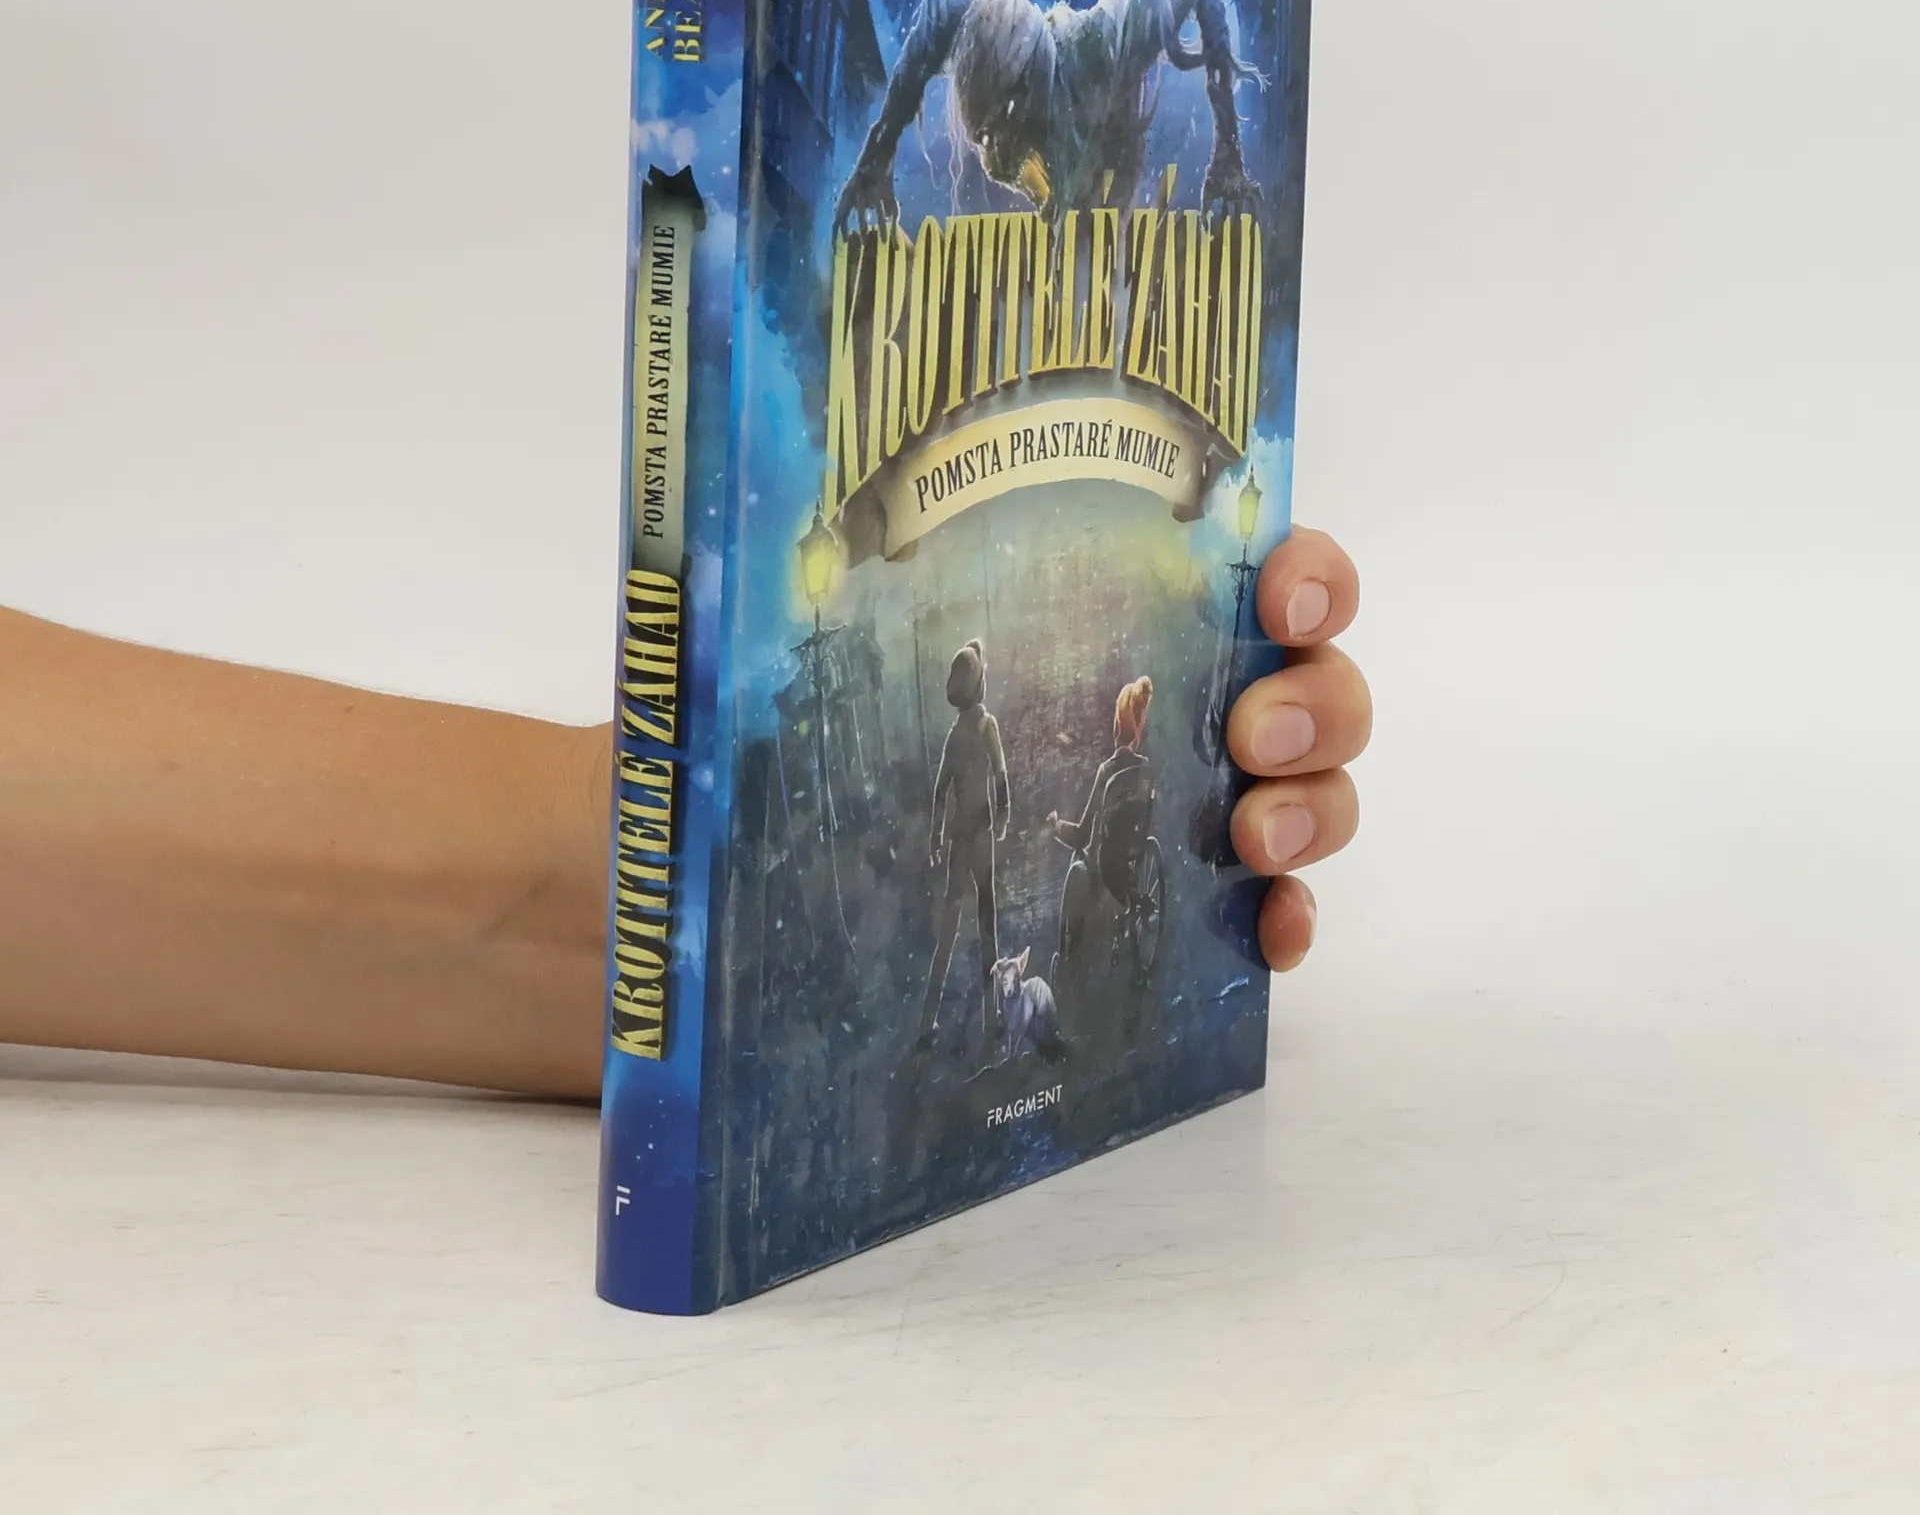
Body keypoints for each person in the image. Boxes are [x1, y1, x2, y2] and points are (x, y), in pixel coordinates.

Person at [0, 529, 1369, 1100]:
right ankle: (944, 1021)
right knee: (965, 947)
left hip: (914, 879)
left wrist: (648, 887)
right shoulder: (979, 735)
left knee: (982, 944)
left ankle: (964, 1019)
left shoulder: (997, 740)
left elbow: (1003, 792)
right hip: (941, 866)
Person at [918, 638, 1010, 1047]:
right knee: (988, 925)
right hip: (982, 837)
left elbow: (940, 792)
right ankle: (992, 1016)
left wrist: (936, 838)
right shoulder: (987, 725)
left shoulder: (954, 735)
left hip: (959, 840)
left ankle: (927, 1023)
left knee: (948, 931)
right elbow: (1001, 775)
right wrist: (1003, 815)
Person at [1049, 673, 1157, 981]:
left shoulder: (1107, 771)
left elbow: (1082, 834)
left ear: (1115, 726)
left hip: (1106, 865)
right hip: (1133, 855)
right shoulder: (1144, 769)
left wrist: (1057, 827)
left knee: (1077, 864)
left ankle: (1069, 953)